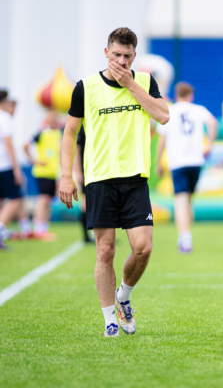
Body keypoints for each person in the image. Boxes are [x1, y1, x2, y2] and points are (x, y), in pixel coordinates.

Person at [59, 27, 170, 338]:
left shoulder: (145, 81)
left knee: (143, 248)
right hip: (99, 180)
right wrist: (67, 175)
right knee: (105, 251)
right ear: (106, 52)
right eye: (117, 55)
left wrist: (130, 84)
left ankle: (124, 296)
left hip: (135, 178)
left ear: (134, 56)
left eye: (127, 56)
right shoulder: (86, 87)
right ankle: (110, 320)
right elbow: (69, 133)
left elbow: (163, 116)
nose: (121, 61)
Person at [156, 82, 217, 253]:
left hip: (178, 161)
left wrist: (158, 161)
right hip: (196, 160)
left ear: (177, 94)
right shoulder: (198, 109)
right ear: (191, 95)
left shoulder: (170, 111)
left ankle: (185, 237)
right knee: (188, 199)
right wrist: (209, 144)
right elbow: (213, 123)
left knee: (180, 199)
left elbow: (162, 139)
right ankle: (186, 234)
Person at [23, 109, 62, 241]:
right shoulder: (41, 133)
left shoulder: (58, 133)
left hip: (53, 172)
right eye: (50, 118)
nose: (53, 120)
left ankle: (44, 229)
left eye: (55, 118)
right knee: (43, 199)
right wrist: (34, 161)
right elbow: (25, 146)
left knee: (48, 201)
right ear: (46, 120)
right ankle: (38, 229)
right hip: (42, 172)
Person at [0, 90, 24, 249]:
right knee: (16, 198)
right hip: (4, 165)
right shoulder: (4, 118)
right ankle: (1, 229)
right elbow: (8, 143)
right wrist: (16, 168)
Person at [74, 125, 94, 243]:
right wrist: (78, 172)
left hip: (99, 170)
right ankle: (86, 236)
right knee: (85, 202)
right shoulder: (82, 127)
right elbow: (77, 150)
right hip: (86, 171)